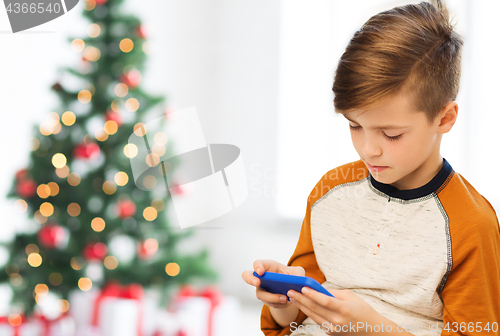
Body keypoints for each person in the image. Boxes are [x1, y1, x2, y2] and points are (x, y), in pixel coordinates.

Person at [241, 1, 500, 335]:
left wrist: (372, 327)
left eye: (391, 134)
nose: (368, 148)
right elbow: (291, 323)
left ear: (445, 118)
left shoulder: (469, 224)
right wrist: (285, 301)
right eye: (354, 126)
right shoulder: (329, 190)